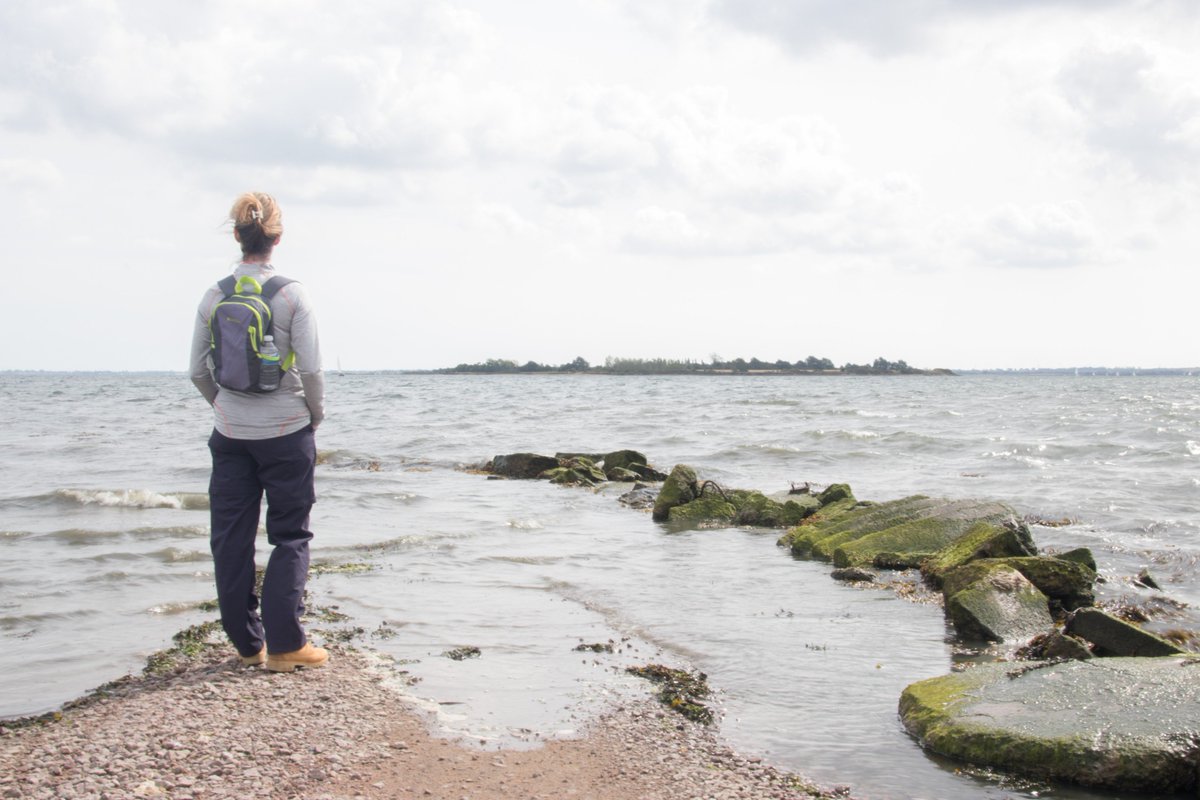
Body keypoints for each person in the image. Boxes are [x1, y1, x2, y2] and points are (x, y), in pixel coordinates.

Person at [189, 191, 328, 673]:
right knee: (290, 534)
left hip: (229, 434)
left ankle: (248, 645)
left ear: (237, 235)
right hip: (286, 430)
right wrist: (314, 415)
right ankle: (288, 645)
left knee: (229, 536)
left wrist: (225, 408)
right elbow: (311, 370)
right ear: (277, 237)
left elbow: (197, 371)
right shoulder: (292, 294)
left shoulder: (214, 294)